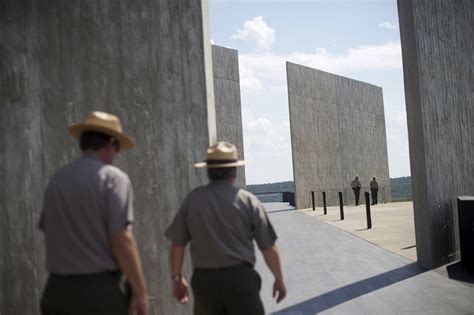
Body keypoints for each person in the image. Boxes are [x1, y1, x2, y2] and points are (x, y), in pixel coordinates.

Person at [39, 111, 148, 315]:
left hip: (56, 291)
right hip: (98, 293)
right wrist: (140, 292)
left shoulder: (57, 180)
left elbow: (50, 231)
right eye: (117, 148)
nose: (115, 155)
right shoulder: (114, 179)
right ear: (110, 144)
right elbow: (121, 239)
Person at [165, 141, 286, 315]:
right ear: (234, 171)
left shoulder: (193, 200)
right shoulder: (247, 201)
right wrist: (279, 279)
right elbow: (267, 246)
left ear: (208, 171)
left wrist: (177, 278)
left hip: (205, 283)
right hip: (240, 280)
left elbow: (177, 244)